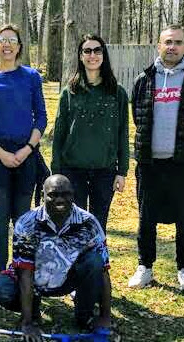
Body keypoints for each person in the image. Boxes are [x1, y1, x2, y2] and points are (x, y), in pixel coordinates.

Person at [128, 24, 184, 291]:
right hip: (149, 163)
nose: (172, 47)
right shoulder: (144, 79)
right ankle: (145, 266)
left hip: (181, 163)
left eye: (177, 42)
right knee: (146, 217)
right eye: (167, 42)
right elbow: (137, 115)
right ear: (159, 45)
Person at [0, 175, 113, 341]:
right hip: (34, 279)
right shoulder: (27, 223)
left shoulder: (88, 223)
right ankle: (32, 310)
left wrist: (106, 316)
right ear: (42, 195)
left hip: (69, 278)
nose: (59, 199)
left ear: (73, 195)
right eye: (53, 195)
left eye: (66, 194)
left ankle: (85, 315)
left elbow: (104, 271)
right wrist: (27, 322)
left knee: (95, 261)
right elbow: (25, 274)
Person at [0, 24, 48, 274]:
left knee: (23, 216)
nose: (7, 44)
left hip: (26, 155)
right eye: (2, 40)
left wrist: (27, 149)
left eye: (12, 40)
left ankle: (22, 268)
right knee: (0, 216)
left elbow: (41, 118)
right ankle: (0, 271)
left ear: (19, 47)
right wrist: (1, 153)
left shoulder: (31, 77)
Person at [51, 34, 129, 232]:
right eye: (87, 51)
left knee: (97, 224)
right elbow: (59, 134)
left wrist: (122, 172)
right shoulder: (70, 92)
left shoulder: (117, 92)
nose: (92, 55)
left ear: (103, 55)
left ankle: (96, 263)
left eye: (97, 50)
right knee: (73, 224)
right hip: (72, 170)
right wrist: (56, 172)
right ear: (80, 56)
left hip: (105, 170)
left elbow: (122, 133)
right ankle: (74, 263)